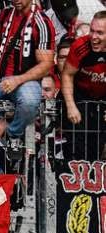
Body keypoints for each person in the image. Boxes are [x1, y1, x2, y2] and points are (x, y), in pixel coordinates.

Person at [0, 0, 55, 173]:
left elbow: (46, 64)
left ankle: (12, 134)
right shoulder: (8, 13)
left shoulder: (42, 22)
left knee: (29, 101)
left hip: (26, 80)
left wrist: (17, 80)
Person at [61, 11, 106, 162]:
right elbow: (67, 75)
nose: (93, 37)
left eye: (100, 33)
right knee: (78, 143)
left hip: (102, 96)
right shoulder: (80, 45)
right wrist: (71, 106)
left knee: (97, 142)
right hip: (79, 94)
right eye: (92, 31)